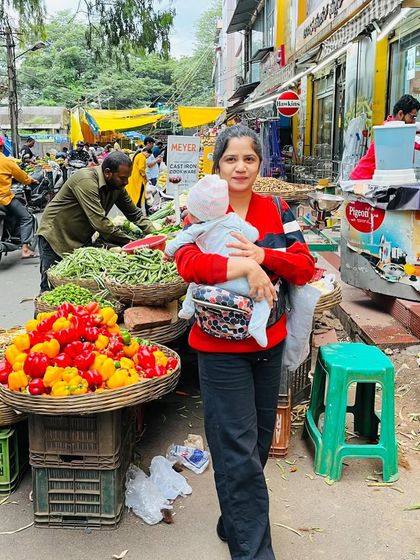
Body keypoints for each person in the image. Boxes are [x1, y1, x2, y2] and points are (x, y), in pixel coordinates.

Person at [174, 125, 315, 560]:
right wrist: (241, 266)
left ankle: (233, 518)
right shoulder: (201, 206)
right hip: (219, 350)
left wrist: (263, 258)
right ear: (218, 165)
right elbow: (186, 260)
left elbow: (304, 266)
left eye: (248, 159)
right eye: (230, 159)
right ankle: (254, 552)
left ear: (259, 164)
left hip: (267, 344)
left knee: (254, 446)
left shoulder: (276, 209)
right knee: (236, 449)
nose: (240, 167)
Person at [165, 175, 270, 347]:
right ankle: (257, 326)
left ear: (198, 215)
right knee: (263, 298)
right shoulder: (233, 219)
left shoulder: (197, 228)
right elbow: (254, 235)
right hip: (241, 282)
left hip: (216, 280)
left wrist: (168, 252)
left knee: (195, 285)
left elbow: (177, 242)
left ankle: (188, 309)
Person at [37, 152, 156, 292]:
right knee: (51, 288)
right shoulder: (86, 180)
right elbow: (99, 222)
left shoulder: (117, 187)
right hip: (55, 236)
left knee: (77, 289)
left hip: (80, 238)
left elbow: (134, 214)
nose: (126, 182)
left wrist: (156, 235)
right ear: (107, 173)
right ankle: (41, 314)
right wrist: (131, 243)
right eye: (123, 178)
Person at [351, 94, 420, 180]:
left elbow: (416, 127)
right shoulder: (392, 131)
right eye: (412, 117)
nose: (413, 122)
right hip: (364, 180)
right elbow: (416, 141)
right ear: (401, 114)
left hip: (371, 179)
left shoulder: (391, 125)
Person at [0, 136, 38, 258]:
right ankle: (25, 250)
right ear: (2, 147)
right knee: (26, 217)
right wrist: (30, 180)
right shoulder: (7, 162)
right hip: (4, 199)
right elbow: (23, 177)